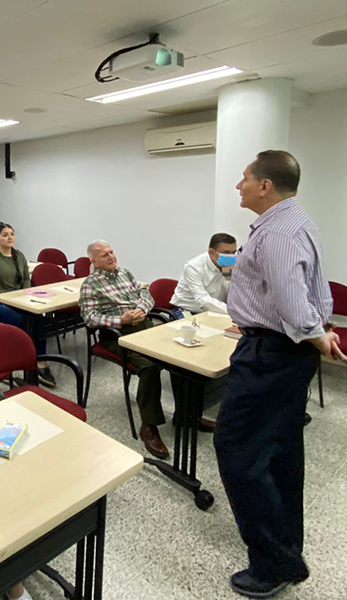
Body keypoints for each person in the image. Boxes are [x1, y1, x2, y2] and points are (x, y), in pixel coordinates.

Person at [214, 151, 345, 599]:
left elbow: (292, 301)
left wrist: (313, 334)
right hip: (281, 351)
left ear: (265, 185)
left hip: (272, 355)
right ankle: (285, 548)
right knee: (280, 453)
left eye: (245, 178)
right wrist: (313, 332)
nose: (239, 186)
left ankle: (273, 563)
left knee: (238, 450)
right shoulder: (293, 222)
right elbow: (304, 293)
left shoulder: (279, 231)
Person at [79, 241, 173, 458]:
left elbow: (146, 293)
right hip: (118, 335)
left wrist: (141, 308)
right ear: (94, 261)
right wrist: (120, 319)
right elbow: (90, 318)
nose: (111, 256)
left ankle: (187, 417)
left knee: (178, 356)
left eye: (111, 252)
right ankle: (149, 426)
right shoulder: (90, 285)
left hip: (143, 325)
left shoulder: (126, 273)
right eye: (104, 255)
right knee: (149, 366)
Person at [0, 222, 55, 388]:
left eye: (12, 234)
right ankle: (20, 360)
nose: (10, 238)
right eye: (5, 235)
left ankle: (40, 364)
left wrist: (25, 294)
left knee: (38, 319)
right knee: (23, 321)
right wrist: (9, 297)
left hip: (19, 299)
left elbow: (26, 278)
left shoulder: (18, 255)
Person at [170, 233, 237, 314]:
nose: (231, 256)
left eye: (233, 252)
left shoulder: (231, 265)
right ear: (212, 253)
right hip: (186, 311)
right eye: (226, 253)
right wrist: (233, 311)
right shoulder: (193, 267)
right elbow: (202, 300)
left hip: (217, 310)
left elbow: (234, 291)